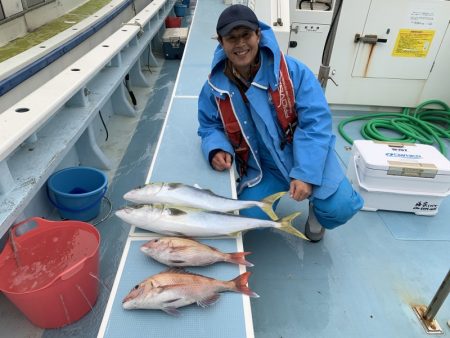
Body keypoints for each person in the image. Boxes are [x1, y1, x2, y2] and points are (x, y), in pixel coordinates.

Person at [197, 4, 363, 241]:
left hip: (305, 154)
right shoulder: (214, 86)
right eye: (231, 38)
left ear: (258, 35)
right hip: (262, 165)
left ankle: (317, 213)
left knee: (341, 207)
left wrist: (306, 174)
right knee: (247, 218)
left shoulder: (294, 72)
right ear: (221, 43)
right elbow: (209, 125)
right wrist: (217, 148)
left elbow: (316, 124)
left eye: (246, 35)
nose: (240, 43)